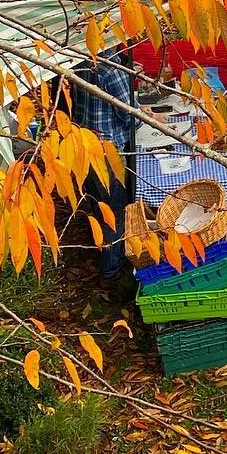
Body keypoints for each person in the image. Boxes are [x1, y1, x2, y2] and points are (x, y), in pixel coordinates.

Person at [69, 52, 137, 290]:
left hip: (81, 145)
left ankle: (101, 251)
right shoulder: (112, 70)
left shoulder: (80, 60)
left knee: (98, 205)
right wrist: (144, 114)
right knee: (114, 211)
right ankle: (112, 271)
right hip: (106, 152)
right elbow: (130, 116)